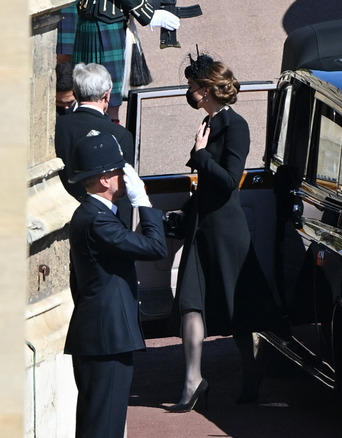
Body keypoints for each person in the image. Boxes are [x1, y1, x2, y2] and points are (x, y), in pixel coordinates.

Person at [167, 53, 274, 411]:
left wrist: (200, 155)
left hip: (227, 229)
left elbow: (229, 180)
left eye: (192, 87)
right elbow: (206, 184)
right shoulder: (208, 122)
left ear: (206, 90)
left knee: (237, 308)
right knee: (190, 303)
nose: (189, 92)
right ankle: (193, 380)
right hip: (201, 225)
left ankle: (252, 372)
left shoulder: (235, 125)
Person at [64, 130, 167, 438]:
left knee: (98, 423)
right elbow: (155, 248)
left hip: (100, 336)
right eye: (121, 171)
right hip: (106, 338)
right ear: (105, 179)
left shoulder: (94, 214)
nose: (126, 178)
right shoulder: (97, 220)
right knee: (103, 427)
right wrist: (143, 202)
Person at [55, 62, 135, 228]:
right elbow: (124, 193)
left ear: (76, 94)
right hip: (104, 225)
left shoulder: (56, 127)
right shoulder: (120, 135)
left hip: (63, 218)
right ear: (107, 95)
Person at [73, 0, 180, 122]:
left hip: (100, 17)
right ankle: (108, 137)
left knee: (99, 98)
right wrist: (147, 13)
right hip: (105, 20)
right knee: (105, 100)